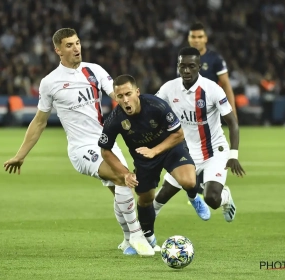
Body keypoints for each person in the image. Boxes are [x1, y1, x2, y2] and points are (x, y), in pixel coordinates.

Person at [2, 28, 153, 256]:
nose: (76, 48)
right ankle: (137, 236)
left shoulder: (94, 71)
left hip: (105, 142)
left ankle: (126, 239)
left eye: (78, 43)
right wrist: (20, 155)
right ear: (58, 50)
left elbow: (119, 96)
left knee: (121, 189)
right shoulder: (50, 82)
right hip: (81, 148)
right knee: (122, 177)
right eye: (70, 45)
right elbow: (40, 121)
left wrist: (143, 109)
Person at [98, 74, 211, 250]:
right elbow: (105, 150)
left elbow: (178, 134)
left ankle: (194, 197)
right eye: (120, 96)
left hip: (170, 148)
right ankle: (149, 237)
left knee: (189, 181)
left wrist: (155, 151)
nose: (125, 100)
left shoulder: (156, 105)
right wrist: (125, 173)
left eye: (128, 94)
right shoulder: (115, 119)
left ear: (137, 92)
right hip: (144, 158)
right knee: (145, 199)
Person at [153, 47, 245, 222]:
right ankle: (142, 233)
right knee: (162, 196)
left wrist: (233, 155)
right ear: (178, 66)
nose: (186, 71)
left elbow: (232, 123)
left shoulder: (212, 90)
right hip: (185, 153)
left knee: (212, 199)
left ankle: (225, 197)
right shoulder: (169, 88)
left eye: (191, 66)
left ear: (199, 66)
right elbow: (152, 109)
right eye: (182, 66)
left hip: (213, 152)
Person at [182, 22, 239, 199]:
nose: (197, 40)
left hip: (209, 114)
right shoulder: (183, 58)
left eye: (200, 37)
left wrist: (232, 112)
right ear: (188, 38)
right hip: (189, 117)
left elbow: (227, 85)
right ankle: (202, 192)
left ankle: (212, 190)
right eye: (193, 37)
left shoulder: (215, 59)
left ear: (205, 38)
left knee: (206, 152)